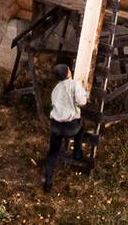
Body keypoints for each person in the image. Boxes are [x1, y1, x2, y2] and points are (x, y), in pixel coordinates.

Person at [43, 62, 88, 191]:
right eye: (68, 69)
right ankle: (77, 153)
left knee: (52, 153)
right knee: (82, 124)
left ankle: (47, 183)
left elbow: (55, 106)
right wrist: (84, 94)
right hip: (71, 128)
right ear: (68, 73)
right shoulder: (75, 84)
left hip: (56, 127)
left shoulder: (55, 89)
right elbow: (82, 102)